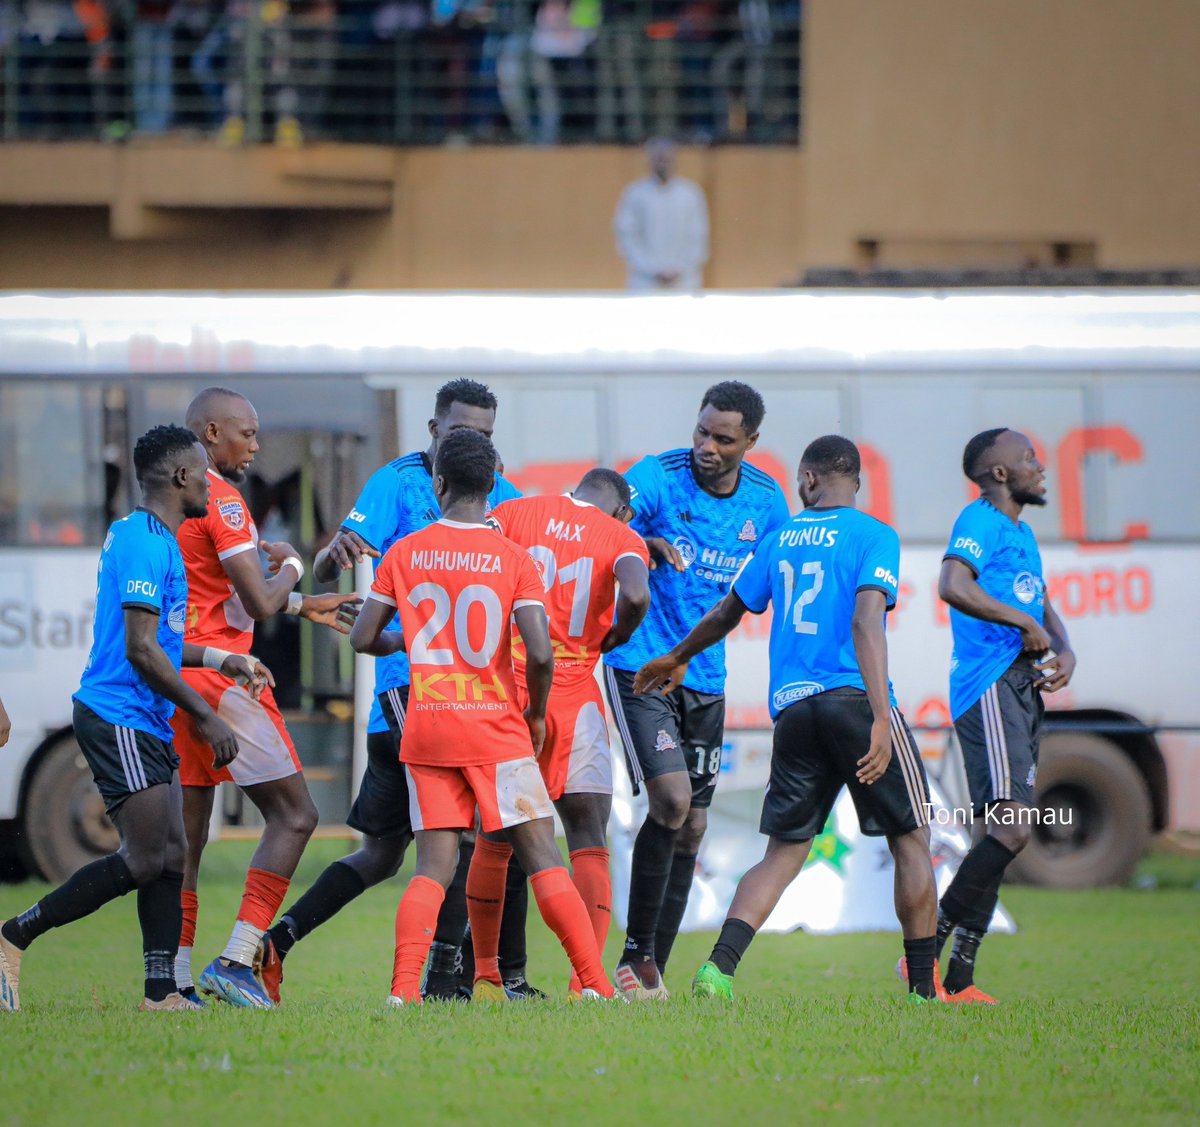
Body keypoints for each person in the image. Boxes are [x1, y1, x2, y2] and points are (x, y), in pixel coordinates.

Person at [635, 435, 940, 1003]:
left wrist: (677, 656)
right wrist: (880, 715)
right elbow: (866, 622)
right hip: (855, 700)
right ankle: (925, 989)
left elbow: (728, 609)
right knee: (911, 837)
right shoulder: (876, 536)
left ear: (807, 481)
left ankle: (717, 971)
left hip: (795, 709)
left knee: (783, 852)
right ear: (854, 482)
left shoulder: (780, 540)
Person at [260, 378, 531, 1001]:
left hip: (443, 698)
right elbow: (334, 564)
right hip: (417, 691)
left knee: (383, 853)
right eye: (464, 432)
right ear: (434, 430)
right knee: (465, 840)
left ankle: (275, 943)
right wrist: (333, 554)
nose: (475, 444)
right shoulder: (398, 480)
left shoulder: (499, 489)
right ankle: (443, 981)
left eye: (486, 436)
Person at [0, 425, 267, 1013]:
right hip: (118, 714)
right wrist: (206, 716)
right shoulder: (147, 542)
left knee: (171, 853)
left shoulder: (154, 537)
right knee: (145, 858)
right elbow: (142, 650)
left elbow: (163, 644)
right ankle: (13, 935)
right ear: (180, 478)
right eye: (203, 473)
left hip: (142, 715)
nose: (210, 483)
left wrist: (225, 658)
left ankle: (161, 993)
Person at [349, 429, 615, 1004]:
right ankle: (595, 985)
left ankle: (403, 993)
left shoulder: (404, 553)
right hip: (496, 728)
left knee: (433, 866)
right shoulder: (513, 559)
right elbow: (540, 653)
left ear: (438, 483)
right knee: (542, 852)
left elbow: (363, 636)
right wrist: (538, 714)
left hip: (428, 729)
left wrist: (413, 640)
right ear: (493, 485)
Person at [602, 380, 790, 999]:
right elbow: (601, 514)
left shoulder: (766, 502)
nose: (706, 446)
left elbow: (780, 579)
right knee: (673, 802)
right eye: (701, 431)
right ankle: (633, 956)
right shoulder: (659, 474)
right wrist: (637, 540)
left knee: (692, 827)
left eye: (723, 438)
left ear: (750, 442)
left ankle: (651, 967)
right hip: (643, 665)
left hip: (706, 676)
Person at [173, 388, 359, 1010]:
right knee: (297, 814)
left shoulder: (171, 504)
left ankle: (170, 981)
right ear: (210, 431)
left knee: (189, 842)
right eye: (246, 434)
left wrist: (303, 605)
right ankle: (236, 959)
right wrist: (295, 570)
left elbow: (215, 591)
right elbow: (257, 602)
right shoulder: (223, 501)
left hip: (178, 675)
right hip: (226, 678)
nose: (255, 446)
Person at [465, 468, 651, 998]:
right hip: (574, 693)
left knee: (496, 837)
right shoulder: (620, 536)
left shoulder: (517, 511)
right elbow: (636, 594)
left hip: (511, 689)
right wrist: (615, 634)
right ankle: (585, 982)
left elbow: (475, 559)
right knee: (589, 838)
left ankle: (484, 973)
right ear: (622, 510)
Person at [919, 428, 1075, 1004]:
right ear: (1001, 473)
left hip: (1021, 686)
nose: (1042, 466)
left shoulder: (1021, 531)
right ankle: (925, 946)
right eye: (1030, 458)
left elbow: (1041, 600)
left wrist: (1064, 644)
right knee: (1011, 830)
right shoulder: (980, 519)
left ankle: (960, 977)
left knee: (1001, 833)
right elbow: (951, 584)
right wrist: (1024, 626)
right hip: (988, 685)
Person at [613, 136, 709, 291]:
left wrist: (679, 269)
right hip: (645, 282)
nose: (662, 161)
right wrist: (652, 269)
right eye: (658, 158)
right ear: (649, 160)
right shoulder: (635, 193)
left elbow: (698, 236)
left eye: (666, 157)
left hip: (684, 281)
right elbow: (627, 236)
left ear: (675, 158)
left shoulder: (690, 194)